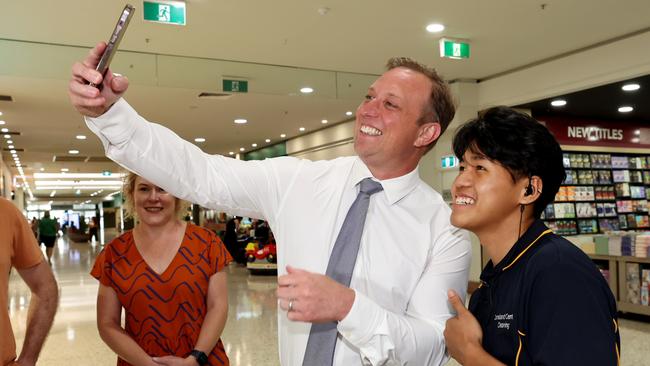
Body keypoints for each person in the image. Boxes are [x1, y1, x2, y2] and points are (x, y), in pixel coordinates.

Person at [69, 43, 471, 365]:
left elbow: (432, 346)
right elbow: (201, 174)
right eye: (369, 96)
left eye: (390, 104)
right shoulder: (301, 181)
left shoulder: (444, 228)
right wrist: (111, 114)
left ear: (426, 133)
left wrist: (350, 308)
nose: (366, 109)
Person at [443, 107, 620, 365]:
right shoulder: (494, 280)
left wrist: (470, 354)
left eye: (479, 167)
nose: (459, 182)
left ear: (529, 190)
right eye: (462, 167)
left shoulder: (559, 273)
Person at [90, 172, 232, 366]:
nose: (153, 197)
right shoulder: (115, 253)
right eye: (144, 189)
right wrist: (148, 364)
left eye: (162, 188)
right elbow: (107, 323)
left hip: (203, 360)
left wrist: (195, 359)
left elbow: (218, 306)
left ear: (176, 194)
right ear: (132, 194)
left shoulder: (207, 243)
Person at [0, 197, 59, 365]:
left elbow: (45, 287)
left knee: (48, 248)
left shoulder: (5, 212)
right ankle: (49, 256)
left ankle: (48, 257)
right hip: (50, 235)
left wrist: (27, 360)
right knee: (49, 248)